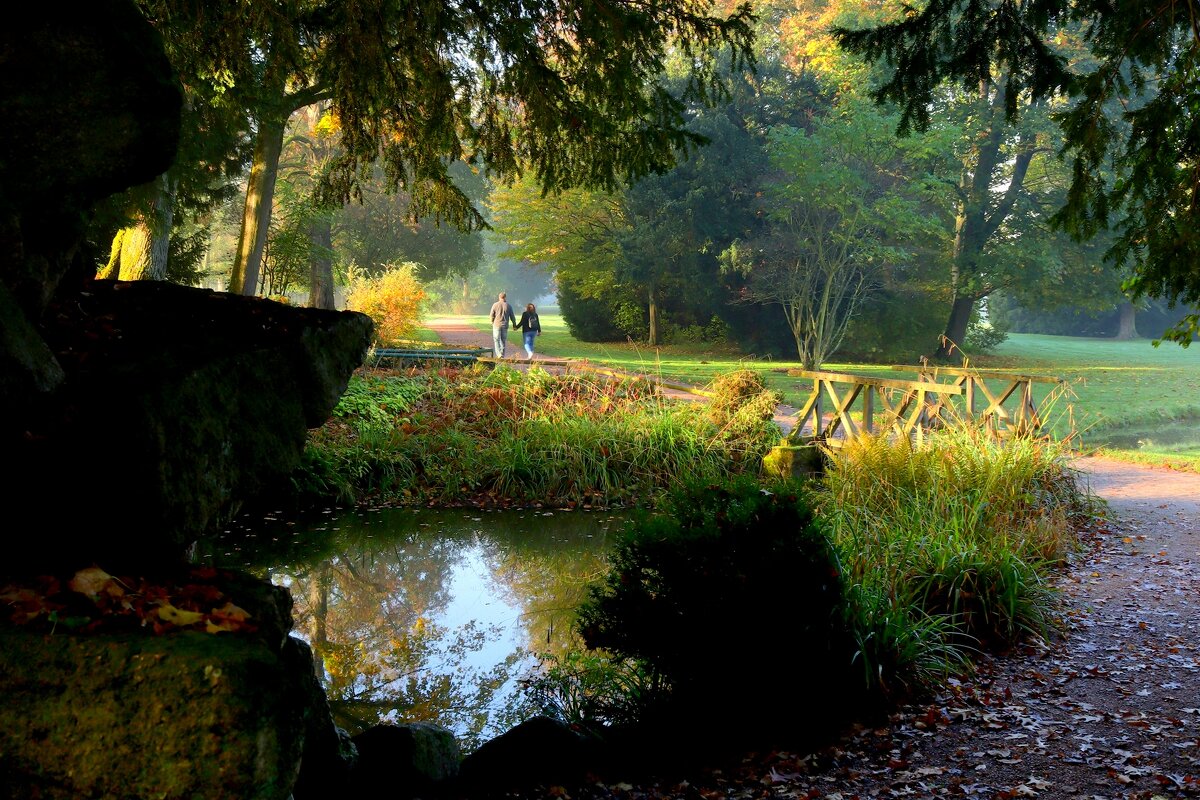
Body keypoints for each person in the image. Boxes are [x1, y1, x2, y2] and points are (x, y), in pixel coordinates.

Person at [489, 291, 517, 357]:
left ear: (499, 297)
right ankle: (502, 354)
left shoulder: (495, 305)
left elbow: (491, 315)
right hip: (505, 325)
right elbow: (512, 317)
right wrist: (514, 325)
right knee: (503, 341)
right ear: (505, 297)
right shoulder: (508, 306)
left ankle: (499, 354)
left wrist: (492, 322)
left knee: (496, 340)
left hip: (496, 325)